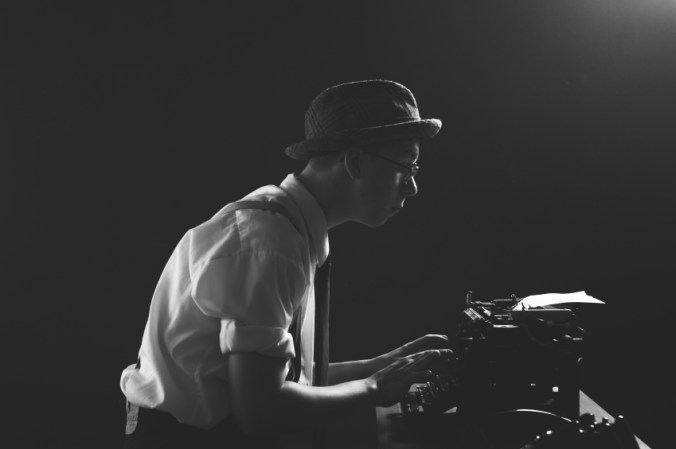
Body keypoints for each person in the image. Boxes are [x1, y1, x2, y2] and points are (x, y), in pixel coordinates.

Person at [120, 79, 453, 448]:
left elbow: (284, 378)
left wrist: (379, 366)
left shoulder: (289, 226)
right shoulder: (271, 244)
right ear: (355, 162)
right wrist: (374, 388)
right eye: (406, 164)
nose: (412, 186)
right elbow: (262, 411)